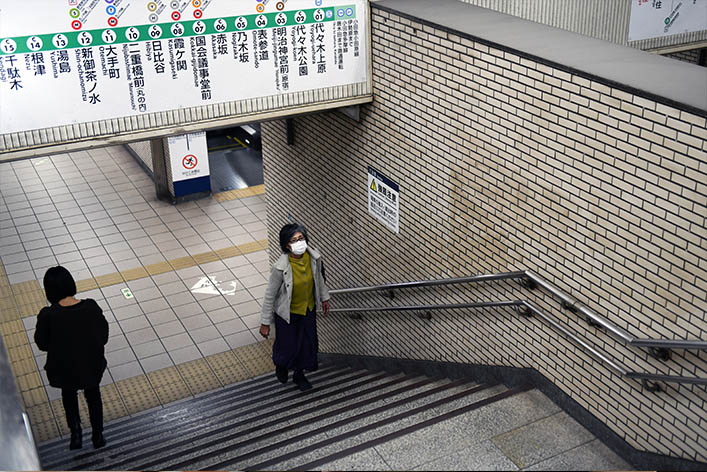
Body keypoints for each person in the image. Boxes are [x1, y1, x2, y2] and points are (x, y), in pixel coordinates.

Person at [34, 266, 109, 450]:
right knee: (93, 396)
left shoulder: (48, 315)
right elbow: (104, 336)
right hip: (90, 365)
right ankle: (97, 435)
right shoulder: (91, 307)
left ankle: (76, 435)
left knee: (68, 397)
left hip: (63, 368)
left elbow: (42, 343)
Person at [260, 223, 331, 391]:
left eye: (301, 238)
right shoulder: (280, 268)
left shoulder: (314, 258)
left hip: (308, 310)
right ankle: (281, 365)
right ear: (286, 245)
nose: (299, 243)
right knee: (288, 346)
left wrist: (325, 297)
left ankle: (299, 375)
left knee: (307, 344)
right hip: (288, 314)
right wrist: (265, 322)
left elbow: (319, 279)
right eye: (294, 240)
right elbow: (270, 295)